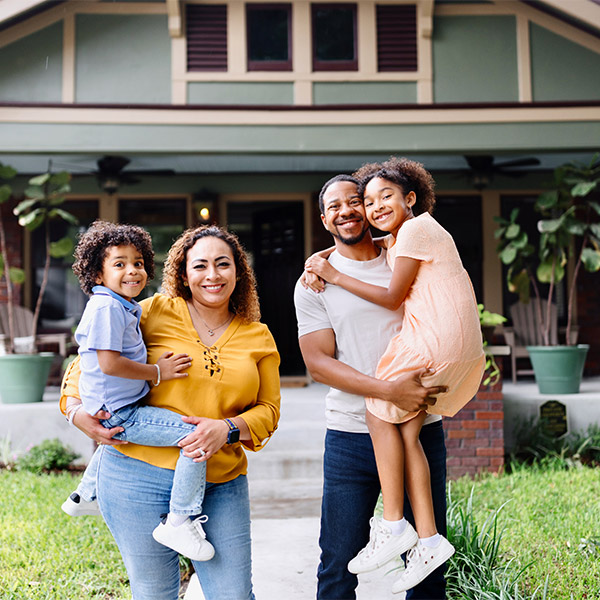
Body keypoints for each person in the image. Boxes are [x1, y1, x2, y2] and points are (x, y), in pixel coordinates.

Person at [61, 224, 281, 600]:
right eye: (200, 266)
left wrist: (227, 429)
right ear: (182, 273)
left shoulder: (257, 336)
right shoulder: (151, 311)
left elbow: (269, 411)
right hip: (135, 478)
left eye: (223, 264)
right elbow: (86, 365)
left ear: (239, 272)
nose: (212, 275)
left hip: (219, 482)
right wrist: (76, 412)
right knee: (154, 593)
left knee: (234, 595)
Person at [304, 159, 485, 593]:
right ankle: (419, 535)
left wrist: (332, 268)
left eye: (362, 200)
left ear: (409, 198)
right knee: (337, 566)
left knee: (427, 586)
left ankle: (395, 526)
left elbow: (391, 296)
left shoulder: (405, 244)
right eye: (345, 204)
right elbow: (316, 361)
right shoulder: (314, 280)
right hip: (347, 439)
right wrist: (325, 261)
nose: (358, 208)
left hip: (424, 387)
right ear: (325, 218)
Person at [61, 220, 217, 562]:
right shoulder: (106, 308)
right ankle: (179, 519)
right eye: (119, 264)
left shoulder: (120, 305)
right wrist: (157, 373)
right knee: (194, 437)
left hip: (116, 404)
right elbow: (109, 364)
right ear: (98, 275)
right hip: (121, 411)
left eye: (138, 263)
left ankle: (84, 495)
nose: (132, 271)